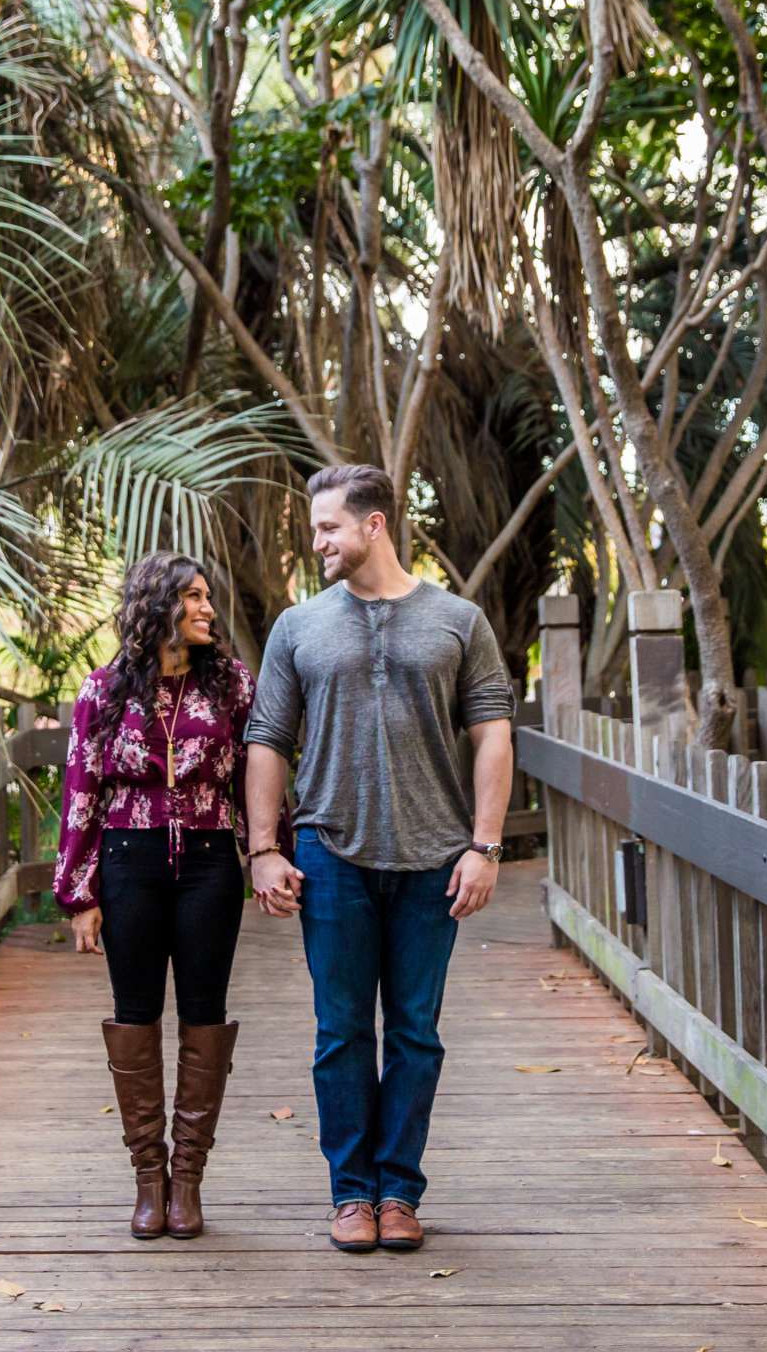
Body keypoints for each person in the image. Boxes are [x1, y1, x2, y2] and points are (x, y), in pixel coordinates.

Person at [243, 463, 515, 1255]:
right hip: (330, 854)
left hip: (435, 859)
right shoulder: (298, 627)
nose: (317, 540)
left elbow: (492, 731)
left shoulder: (458, 621)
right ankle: (351, 1194)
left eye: (329, 526)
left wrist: (486, 847)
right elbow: (265, 740)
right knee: (339, 1033)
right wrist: (263, 849)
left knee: (416, 1033)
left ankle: (399, 1189)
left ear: (374, 525)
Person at [53, 552, 255, 1240]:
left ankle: (189, 1180)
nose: (207, 609)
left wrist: (266, 853)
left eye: (208, 597)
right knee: (134, 1014)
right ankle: (148, 1175)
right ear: (156, 606)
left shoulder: (233, 688)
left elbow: (255, 781)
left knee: (205, 1012)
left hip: (208, 865)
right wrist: (79, 891)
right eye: (193, 598)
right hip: (127, 861)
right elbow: (81, 789)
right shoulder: (103, 691)